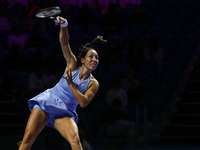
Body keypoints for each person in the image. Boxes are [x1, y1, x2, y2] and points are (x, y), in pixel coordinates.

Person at [18, 16, 106, 150]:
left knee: (76, 141)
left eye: (97, 58)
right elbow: (64, 43)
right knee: (27, 139)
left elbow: (83, 103)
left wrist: (71, 84)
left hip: (65, 112)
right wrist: (64, 26)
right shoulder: (72, 64)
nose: (94, 60)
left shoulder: (93, 83)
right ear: (82, 60)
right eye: (91, 56)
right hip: (47, 102)